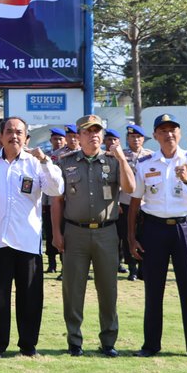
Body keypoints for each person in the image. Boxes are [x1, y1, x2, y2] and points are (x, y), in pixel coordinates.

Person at [0, 116, 63, 358]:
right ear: (0, 136)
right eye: (9, 131)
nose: (14, 136)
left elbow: (55, 189)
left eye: (19, 132)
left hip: (27, 241)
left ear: (27, 137)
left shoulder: (35, 164)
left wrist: (45, 162)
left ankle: (28, 346)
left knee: (30, 297)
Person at [128, 113, 187, 359]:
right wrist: (132, 237)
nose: (168, 134)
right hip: (154, 229)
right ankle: (151, 345)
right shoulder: (146, 163)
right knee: (153, 290)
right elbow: (135, 203)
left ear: (180, 133)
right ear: (155, 136)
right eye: (163, 130)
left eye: (173, 130)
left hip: (185, 228)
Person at [52, 115, 134, 358]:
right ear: (79, 135)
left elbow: (130, 188)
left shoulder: (114, 161)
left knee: (108, 289)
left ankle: (108, 340)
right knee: (73, 289)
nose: (93, 135)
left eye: (98, 130)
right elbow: (57, 201)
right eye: (88, 131)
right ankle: (74, 340)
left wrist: (120, 157)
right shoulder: (65, 162)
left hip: (106, 232)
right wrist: (56, 233)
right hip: (74, 232)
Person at [118, 124, 152, 280]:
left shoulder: (151, 156)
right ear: (128, 139)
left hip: (146, 203)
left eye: (138, 137)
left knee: (145, 235)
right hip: (126, 201)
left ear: (143, 139)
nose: (136, 139)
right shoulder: (120, 156)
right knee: (127, 235)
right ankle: (132, 268)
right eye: (132, 137)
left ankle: (144, 268)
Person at [43, 127, 69, 274]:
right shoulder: (46, 155)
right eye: (55, 139)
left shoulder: (67, 155)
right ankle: (51, 263)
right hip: (48, 201)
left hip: (64, 200)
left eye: (60, 139)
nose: (58, 141)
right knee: (50, 231)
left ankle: (64, 265)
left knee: (64, 232)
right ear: (50, 140)